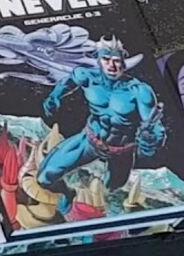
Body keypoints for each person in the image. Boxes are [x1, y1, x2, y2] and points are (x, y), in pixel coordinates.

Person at [38, 37, 166, 211]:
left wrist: (150, 140)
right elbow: (66, 83)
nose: (112, 66)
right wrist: (54, 98)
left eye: (116, 61)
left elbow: (153, 124)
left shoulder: (139, 91)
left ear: (123, 62)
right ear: (98, 60)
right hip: (90, 141)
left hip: (121, 150)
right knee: (45, 177)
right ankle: (68, 193)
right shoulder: (87, 77)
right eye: (106, 59)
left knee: (111, 191)